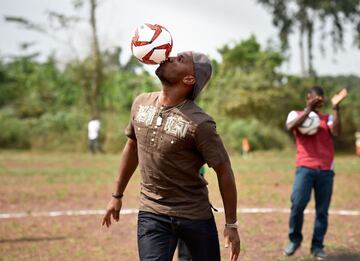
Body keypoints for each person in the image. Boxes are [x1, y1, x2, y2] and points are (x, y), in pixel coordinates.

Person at [102, 51, 240, 261]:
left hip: (195, 215)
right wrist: (117, 195)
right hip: (152, 212)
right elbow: (132, 147)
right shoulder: (141, 103)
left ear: (189, 79)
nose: (169, 57)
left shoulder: (200, 123)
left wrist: (231, 224)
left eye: (180, 59)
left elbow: (224, 171)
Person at [284, 86, 347, 259]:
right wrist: (308, 110)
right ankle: (294, 239)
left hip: (326, 169)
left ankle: (317, 246)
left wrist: (335, 107)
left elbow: (337, 132)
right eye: (314, 98)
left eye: (321, 99)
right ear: (308, 98)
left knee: (322, 210)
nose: (318, 101)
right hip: (305, 167)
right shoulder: (297, 114)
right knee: (297, 204)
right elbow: (290, 127)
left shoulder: (328, 118)